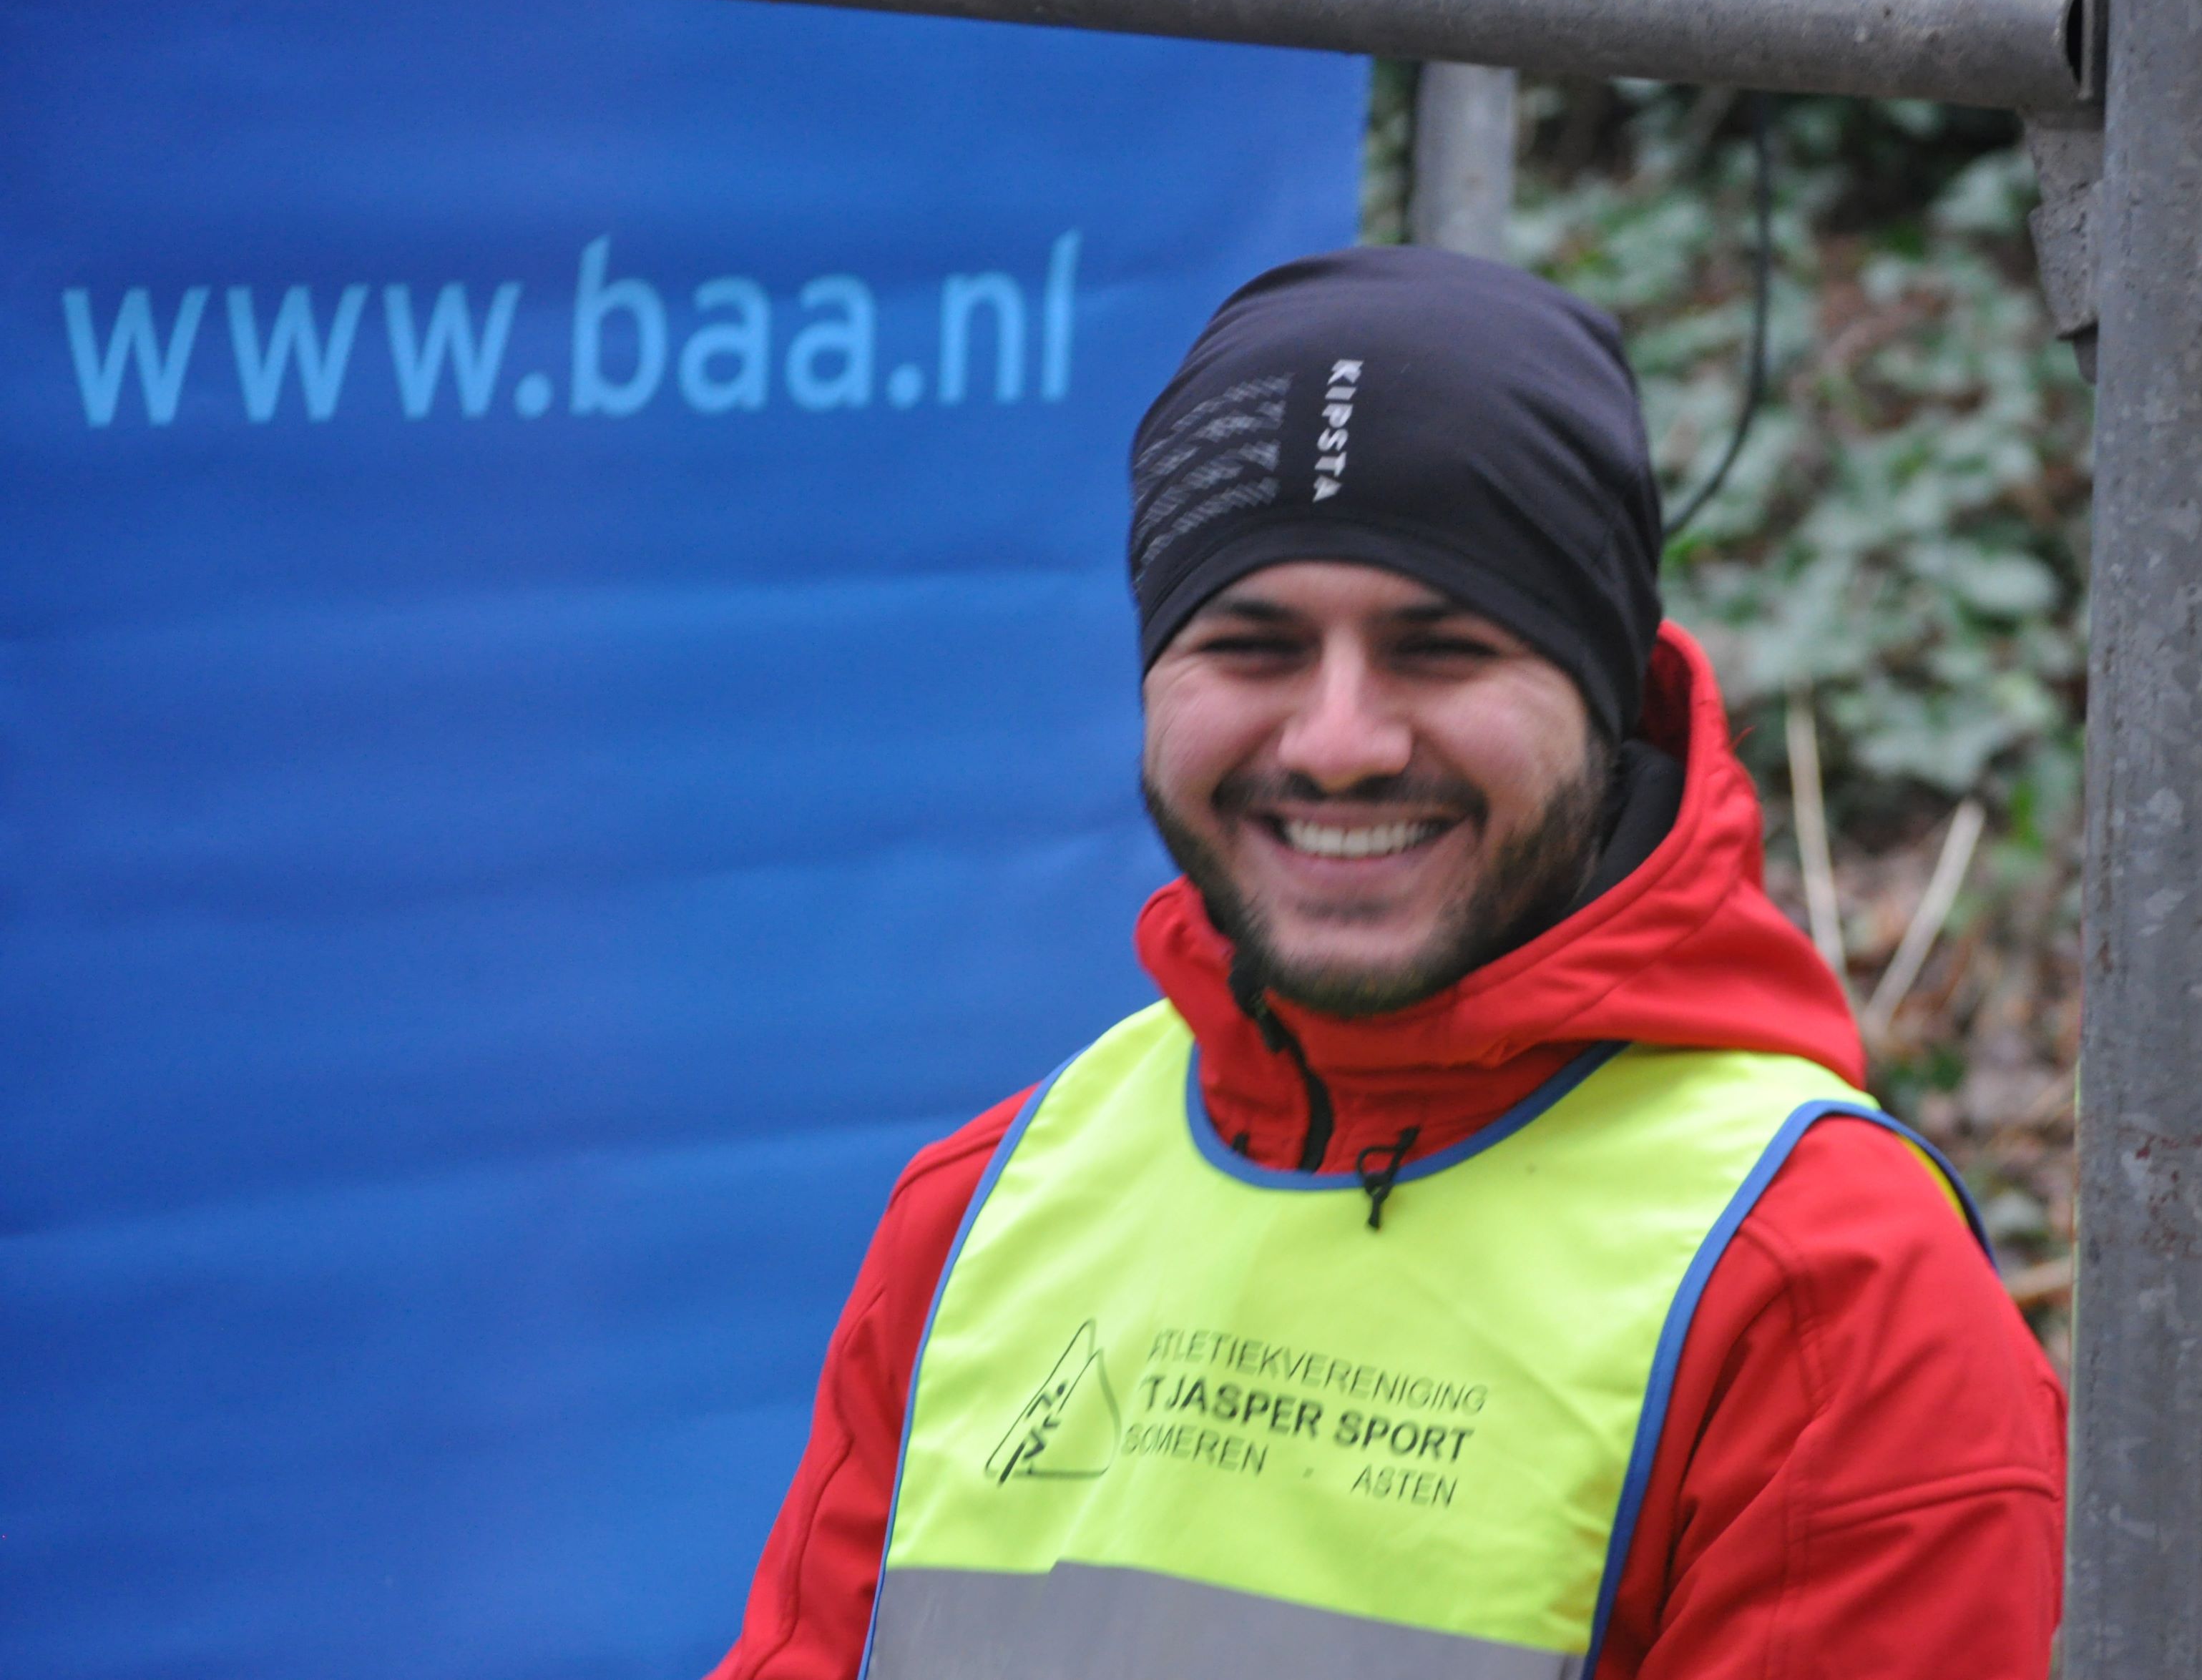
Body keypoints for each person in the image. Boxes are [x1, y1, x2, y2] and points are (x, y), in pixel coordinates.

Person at [711, 245, 2065, 1680]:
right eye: (1255, 645)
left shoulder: (1821, 1290)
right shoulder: (981, 1209)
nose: (1339, 742)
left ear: (1605, 698)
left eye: (1441, 648)